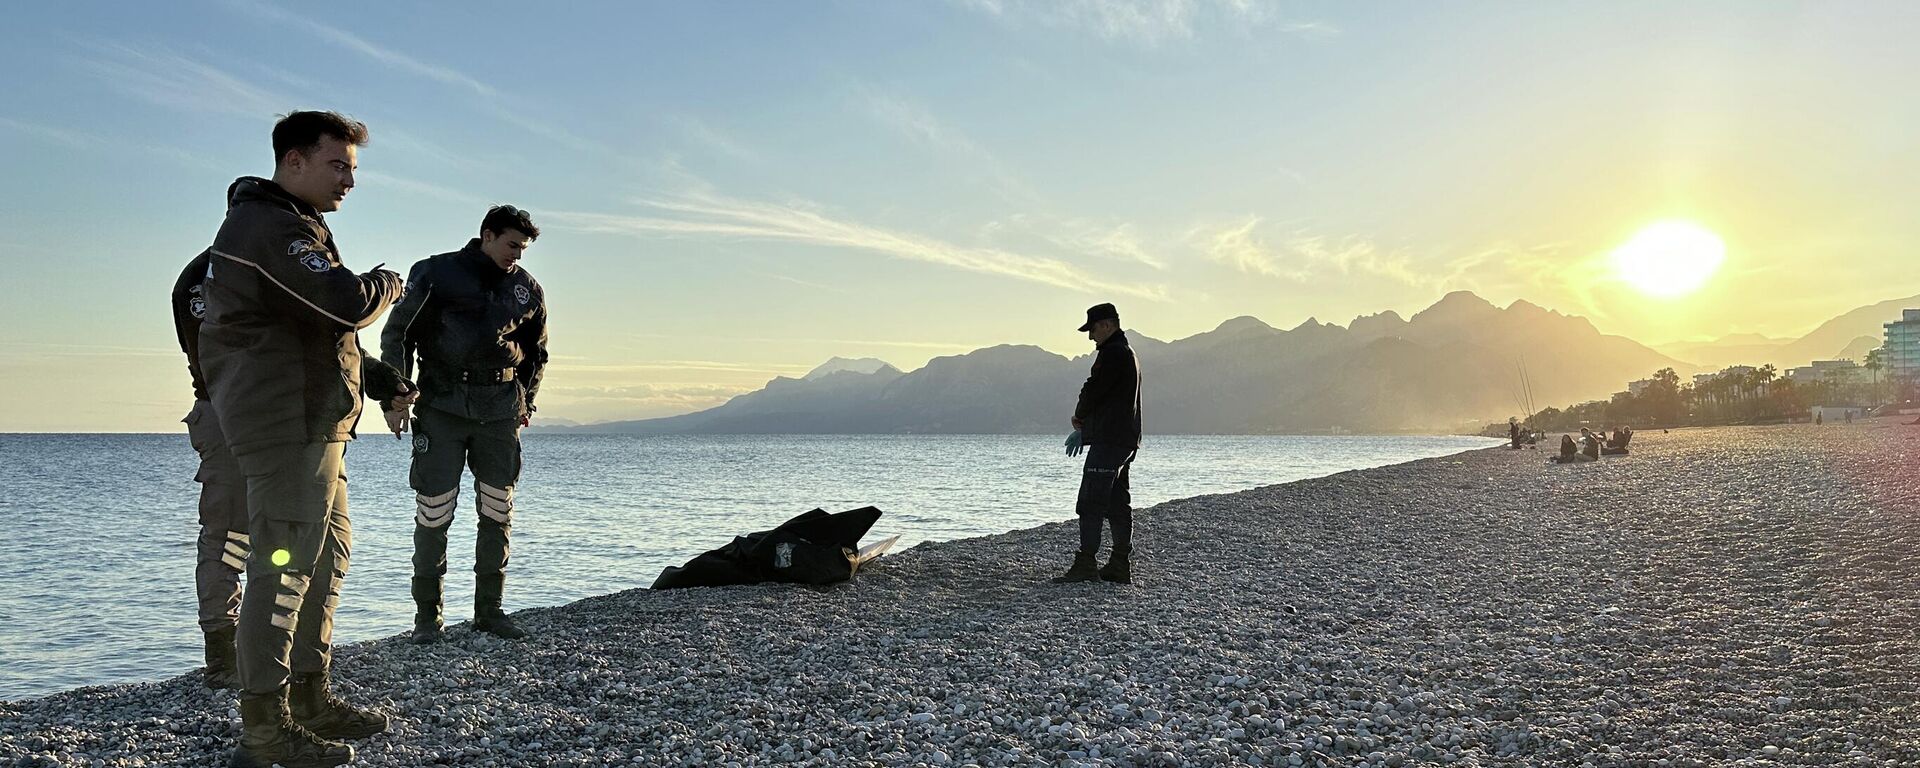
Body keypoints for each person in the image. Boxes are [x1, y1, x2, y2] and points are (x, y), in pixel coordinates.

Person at [198, 110, 415, 768]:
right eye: (337, 164)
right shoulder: (268, 227)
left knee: (327, 557)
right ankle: (264, 731)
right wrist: (389, 284)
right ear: (293, 161)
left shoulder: (291, 226)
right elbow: (345, 305)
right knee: (284, 568)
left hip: (315, 423)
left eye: (353, 167)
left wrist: (376, 381)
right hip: (285, 427)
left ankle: (311, 695)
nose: (350, 179)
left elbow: (322, 333)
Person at [379, 206, 549, 644]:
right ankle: (426, 620)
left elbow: (536, 354)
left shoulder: (527, 290)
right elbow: (398, 334)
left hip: (500, 412)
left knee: (497, 510)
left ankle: (490, 612)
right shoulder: (435, 273)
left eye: (523, 249)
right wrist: (395, 396)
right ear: (488, 236)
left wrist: (526, 400)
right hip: (441, 406)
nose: (517, 256)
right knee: (434, 512)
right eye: (512, 245)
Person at [171, 252, 248, 690]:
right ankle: (224, 654)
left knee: (234, 535)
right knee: (229, 535)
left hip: (221, 410)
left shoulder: (193, 275)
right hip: (232, 411)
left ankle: (237, 650)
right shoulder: (215, 273)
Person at [1054, 302, 1142, 584]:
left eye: (1092, 329)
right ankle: (1119, 563)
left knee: (1091, 502)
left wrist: (1080, 419)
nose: (1091, 336)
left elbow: (1094, 391)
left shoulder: (1112, 353)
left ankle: (1086, 563)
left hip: (1109, 441)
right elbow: (1114, 401)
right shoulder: (1128, 353)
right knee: (1117, 501)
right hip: (1125, 440)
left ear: (1107, 325)